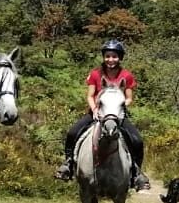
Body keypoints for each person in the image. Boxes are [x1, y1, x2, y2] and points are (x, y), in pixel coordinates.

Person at [53, 39, 150, 190]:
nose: (111, 60)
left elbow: (129, 98)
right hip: (98, 113)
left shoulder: (127, 75)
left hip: (117, 115)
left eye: (114, 56)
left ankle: (136, 173)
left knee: (137, 140)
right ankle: (68, 164)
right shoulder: (95, 74)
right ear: (103, 57)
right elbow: (90, 96)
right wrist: (95, 110)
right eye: (108, 56)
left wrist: (119, 106)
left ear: (120, 57)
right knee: (72, 133)